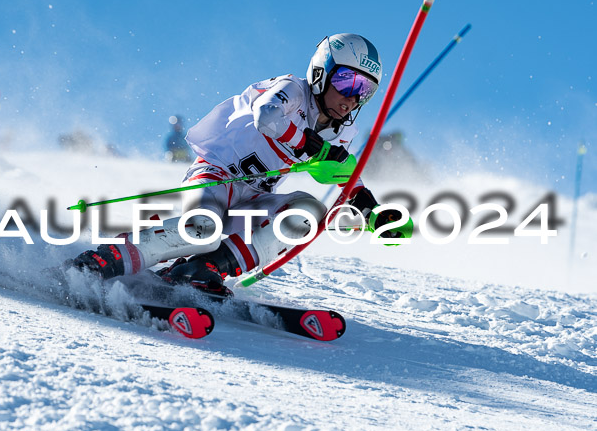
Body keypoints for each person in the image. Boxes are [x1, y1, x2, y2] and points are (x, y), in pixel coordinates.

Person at [69, 33, 411, 296]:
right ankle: (105, 259)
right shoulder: (291, 90)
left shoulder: (341, 130)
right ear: (322, 73)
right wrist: (309, 145)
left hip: (253, 197)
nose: (353, 97)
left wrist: (373, 212)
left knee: (307, 213)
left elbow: (345, 173)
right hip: (216, 175)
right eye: (346, 82)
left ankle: (202, 271)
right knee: (203, 228)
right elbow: (267, 116)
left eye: (364, 90)